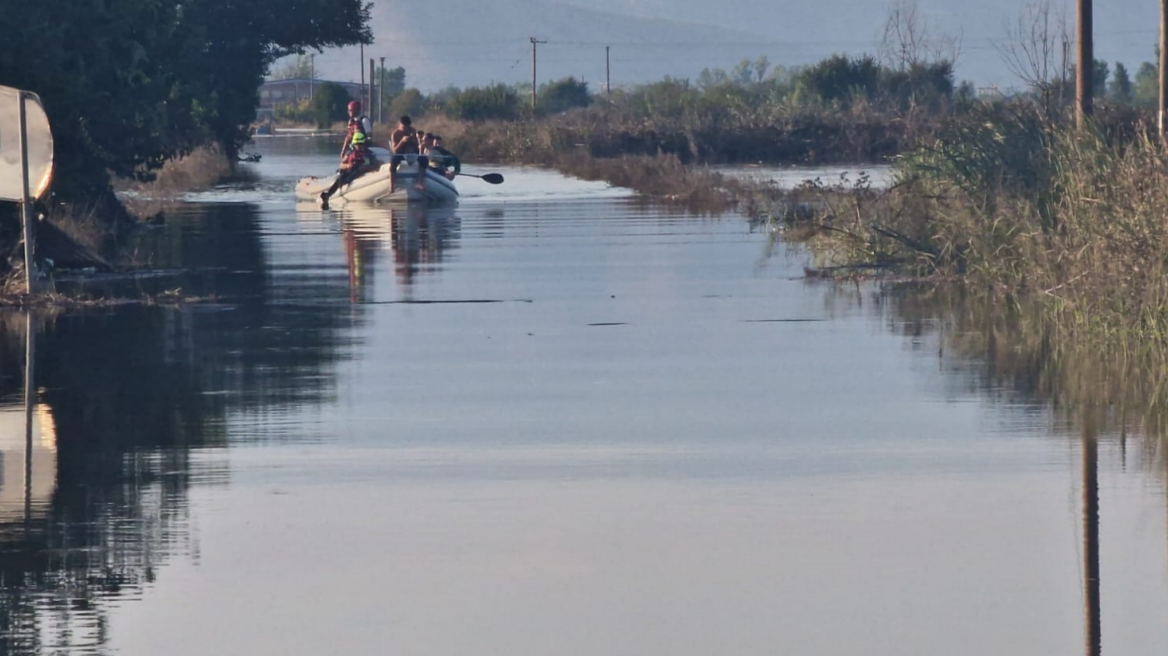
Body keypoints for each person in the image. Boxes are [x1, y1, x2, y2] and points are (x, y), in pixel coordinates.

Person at [320, 131, 380, 208]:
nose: (359, 146)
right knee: (341, 178)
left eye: (361, 144)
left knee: (356, 171)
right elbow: (341, 165)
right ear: (354, 144)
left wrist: (367, 168)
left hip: (361, 171)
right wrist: (348, 165)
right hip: (349, 171)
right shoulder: (350, 153)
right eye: (357, 144)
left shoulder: (369, 154)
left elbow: (375, 163)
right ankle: (328, 195)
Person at [389, 115, 427, 193]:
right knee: (393, 160)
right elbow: (395, 150)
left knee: (424, 159)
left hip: (411, 153)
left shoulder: (412, 131)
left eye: (407, 127)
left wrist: (413, 140)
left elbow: (417, 147)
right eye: (404, 127)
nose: (406, 129)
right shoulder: (395, 134)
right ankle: (392, 185)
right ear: (400, 124)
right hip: (400, 154)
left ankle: (419, 182)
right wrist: (402, 141)